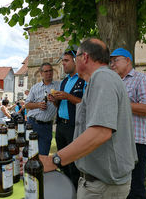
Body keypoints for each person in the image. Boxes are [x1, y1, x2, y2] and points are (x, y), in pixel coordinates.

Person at [40, 39, 137, 199]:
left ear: (84, 57)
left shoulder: (102, 77)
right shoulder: (101, 79)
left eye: (75, 56)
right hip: (100, 182)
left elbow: (100, 132)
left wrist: (54, 160)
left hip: (102, 186)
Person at [110, 48, 146, 199]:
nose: (112, 64)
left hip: (136, 142)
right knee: (120, 187)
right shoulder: (116, 82)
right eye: (110, 61)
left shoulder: (141, 79)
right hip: (117, 141)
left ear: (128, 60)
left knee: (134, 188)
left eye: (116, 60)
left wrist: (121, 103)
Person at [52, 50, 86, 189]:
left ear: (75, 61)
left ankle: (75, 190)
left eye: (66, 61)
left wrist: (67, 96)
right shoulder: (65, 81)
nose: (63, 64)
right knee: (62, 159)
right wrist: (55, 100)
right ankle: (66, 187)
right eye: (62, 61)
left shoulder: (83, 79)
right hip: (61, 125)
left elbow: (85, 103)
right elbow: (60, 104)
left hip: (74, 126)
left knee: (74, 162)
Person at [25, 63, 60, 155]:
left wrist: (54, 101)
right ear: (41, 73)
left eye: (50, 70)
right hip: (32, 124)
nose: (49, 73)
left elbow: (60, 105)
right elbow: (26, 105)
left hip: (47, 126)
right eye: (46, 71)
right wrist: (38, 105)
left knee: (43, 154)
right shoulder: (35, 88)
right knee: (29, 153)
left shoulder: (59, 86)